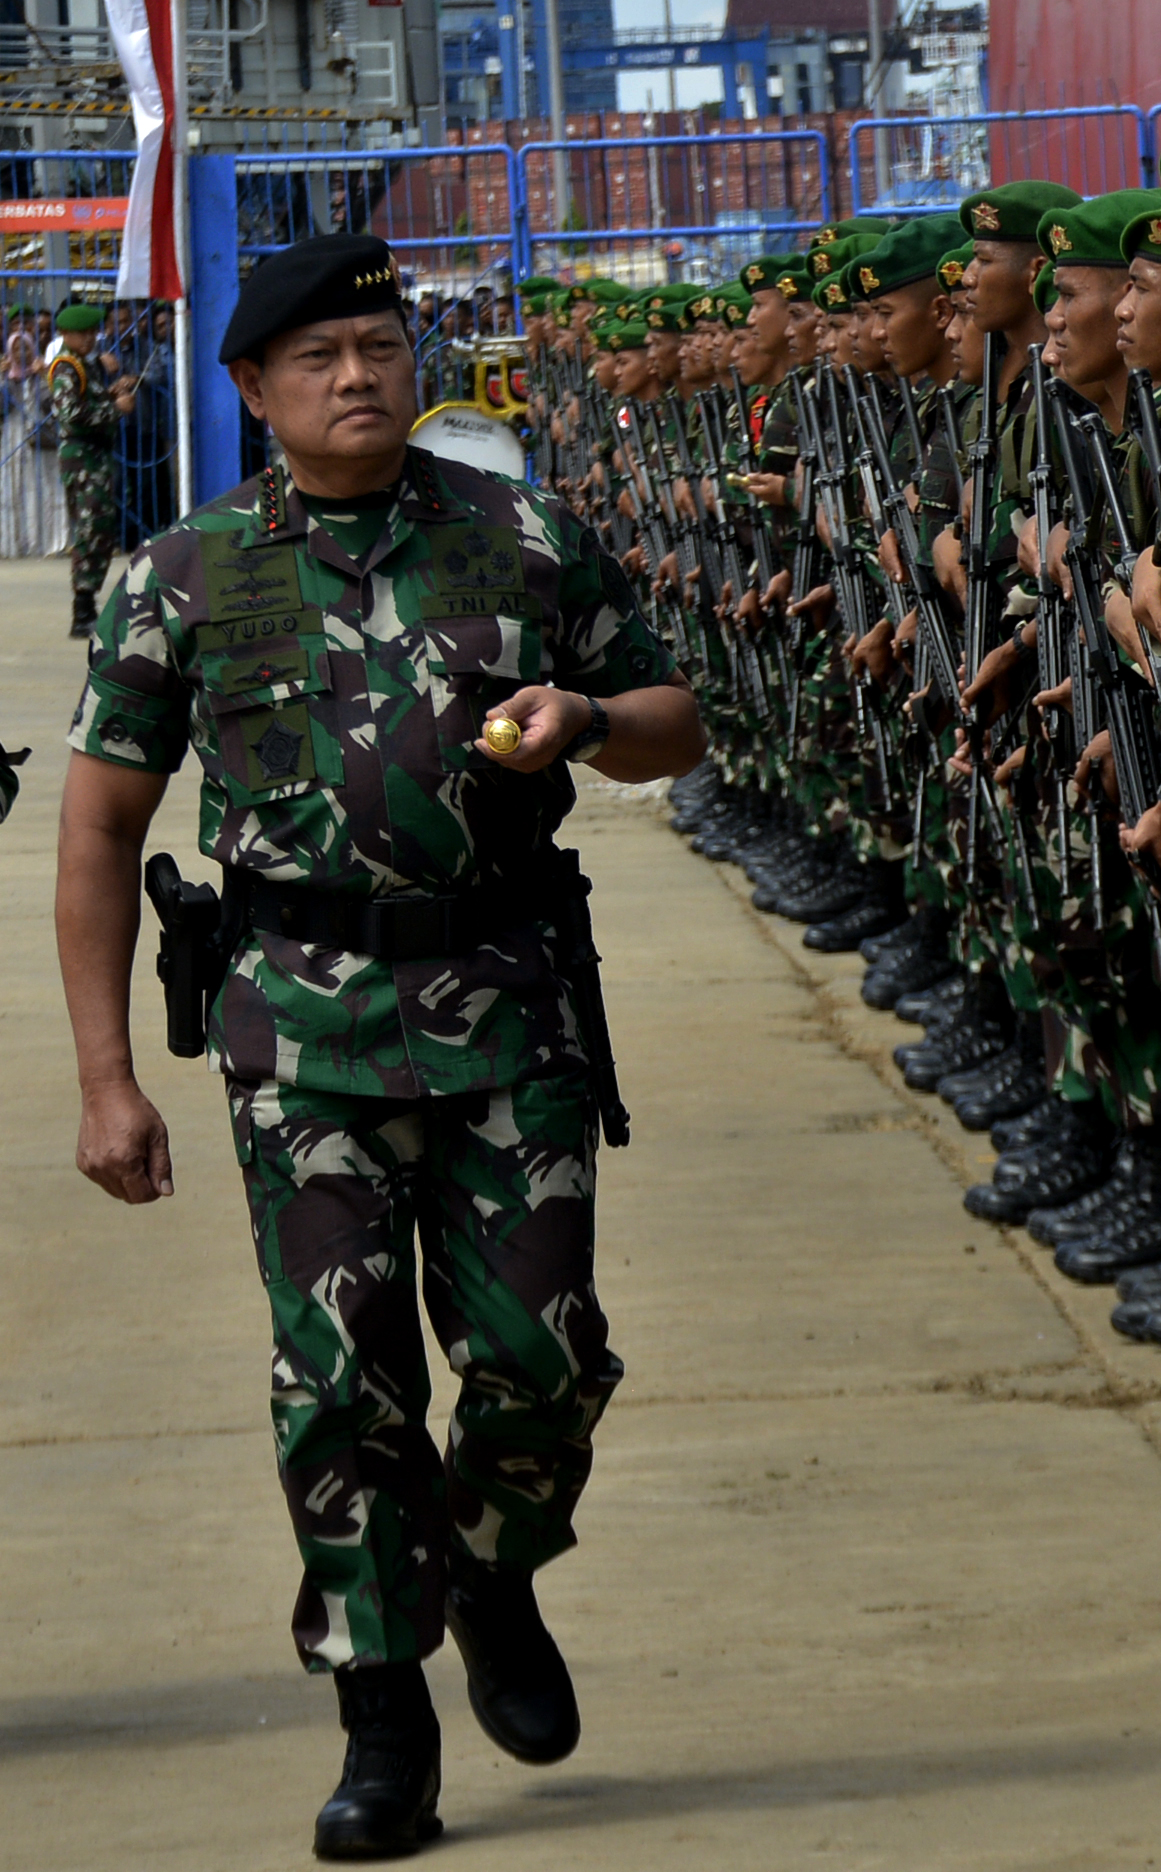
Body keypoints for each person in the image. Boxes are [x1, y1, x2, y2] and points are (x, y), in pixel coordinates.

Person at [53, 232, 702, 1861]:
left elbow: (673, 720)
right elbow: (100, 825)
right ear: (253, 386)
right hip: (302, 1033)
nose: (359, 375)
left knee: (546, 1359)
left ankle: (488, 1561)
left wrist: (589, 722)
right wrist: (107, 1077)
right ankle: (383, 1718)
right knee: (341, 1387)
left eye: (381, 346)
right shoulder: (184, 575)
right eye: (320, 357)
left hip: (508, 1011)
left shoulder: (520, 534)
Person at [49, 299, 134, 636]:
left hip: (95, 456)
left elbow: (88, 402)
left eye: (92, 332)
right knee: (91, 527)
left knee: (101, 526)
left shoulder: (86, 366)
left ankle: (88, 603)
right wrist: (116, 409)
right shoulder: (66, 368)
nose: (89, 338)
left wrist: (112, 393)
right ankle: (82, 609)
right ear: (65, 334)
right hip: (81, 456)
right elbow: (71, 414)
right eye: (82, 333)